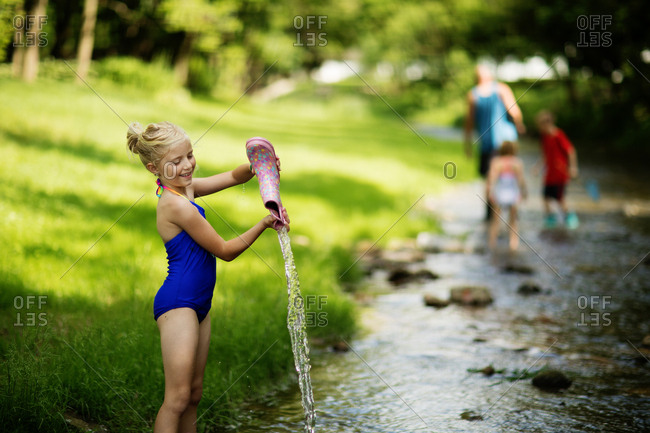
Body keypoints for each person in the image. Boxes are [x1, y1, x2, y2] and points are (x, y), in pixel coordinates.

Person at [126, 121, 288, 433]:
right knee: (176, 398)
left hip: (199, 305)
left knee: (194, 394)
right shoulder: (175, 205)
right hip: (179, 304)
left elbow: (230, 177)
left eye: (189, 155)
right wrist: (265, 223)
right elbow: (225, 251)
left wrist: (257, 167)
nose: (187, 165)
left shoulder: (183, 189)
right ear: (153, 168)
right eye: (175, 162)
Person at [464, 64, 526, 220]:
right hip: (507, 141)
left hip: (487, 142)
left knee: (489, 177)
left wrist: (467, 144)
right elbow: (514, 110)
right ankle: (513, 210)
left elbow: (469, 122)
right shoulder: (501, 89)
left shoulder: (473, 94)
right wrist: (519, 124)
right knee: (511, 173)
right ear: (490, 76)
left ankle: (490, 213)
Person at [534, 110, 579, 229]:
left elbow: (571, 151)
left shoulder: (558, 135)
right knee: (545, 196)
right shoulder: (544, 137)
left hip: (560, 173)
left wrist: (573, 167)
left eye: (541, 125)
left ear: (547, 123)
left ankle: (569, 217)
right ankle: (551, 218)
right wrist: (538, 167)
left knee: (560, 198)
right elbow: (545, 155)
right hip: (550, 173)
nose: (540, 128)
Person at [486, 140, 527, 251]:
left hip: (499, 193)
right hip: (513, 193)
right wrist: (524, 192)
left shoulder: (496, 162)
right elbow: (521, 180)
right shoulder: (517, 162)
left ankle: (492, 244)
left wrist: (489, 192)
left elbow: (491, 178)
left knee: (495, 221)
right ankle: (513, 245)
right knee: (513, 221)